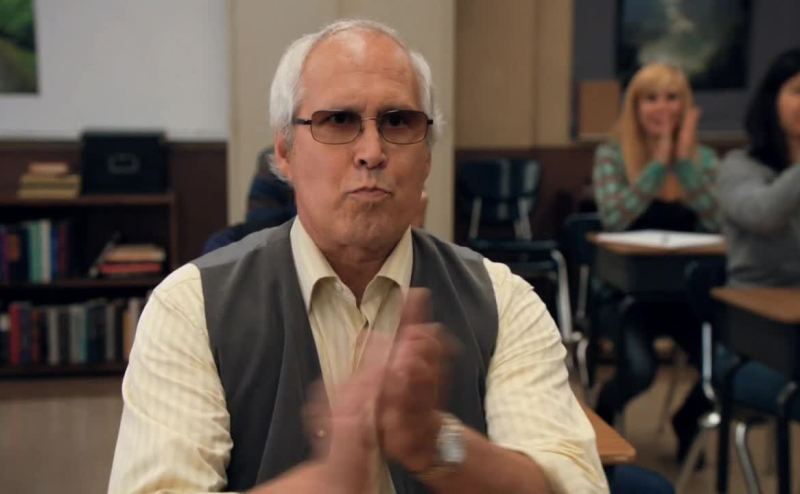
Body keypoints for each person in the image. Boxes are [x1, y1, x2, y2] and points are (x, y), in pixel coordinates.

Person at [108, 19, 607, 494]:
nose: (372, 151)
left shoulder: (504, 301)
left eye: (398, 121)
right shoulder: (190, 307)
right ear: (284, 152)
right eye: (339, 120)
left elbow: (573, 483)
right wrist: (327, 483)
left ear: (427, 156)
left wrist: (438, 445)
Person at [591, 63, 719, 461]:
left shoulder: (703, 160)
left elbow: (718, 220)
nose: (662, 107)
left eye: (672, 97)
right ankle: (603, 409)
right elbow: (615, 218)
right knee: (640, 371)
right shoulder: (611, 155)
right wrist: (658, 162)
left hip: (688, 295)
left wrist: (683, 164)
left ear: (686, 105)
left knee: (726, 368)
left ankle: (687, 421)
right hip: (627, 295)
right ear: (635, 106)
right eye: (651, 98)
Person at [715, 47, 800, 419]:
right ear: (772, 99)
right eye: (798, 91)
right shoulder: (739, 167)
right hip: (753, 341)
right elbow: (764, 215)